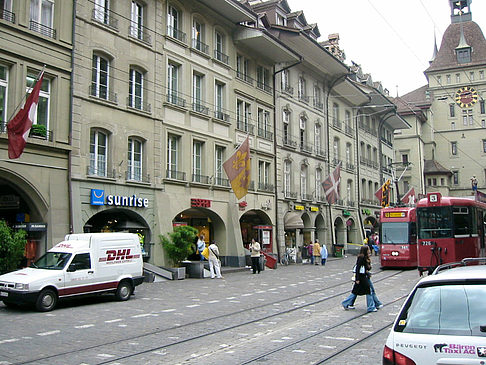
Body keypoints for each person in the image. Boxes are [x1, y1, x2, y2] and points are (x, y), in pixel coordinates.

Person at [342, 245, 380, 313]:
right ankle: (371, 307)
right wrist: (357, 279)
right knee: (369, 291)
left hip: (364, 277)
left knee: (355, 292)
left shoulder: (365, 257)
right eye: (368, 249)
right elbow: (358, 268)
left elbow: (367, 268)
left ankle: (347, 303)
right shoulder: (361, 258)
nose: (369, 250)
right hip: (361, 278)